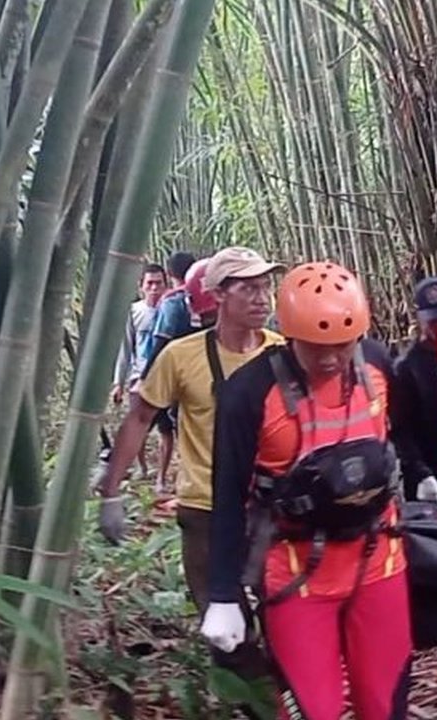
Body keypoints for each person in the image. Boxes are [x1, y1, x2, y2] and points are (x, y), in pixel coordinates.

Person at [202, 261, 412, 720]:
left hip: (379, 557)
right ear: (290, 334)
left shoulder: (375, 363)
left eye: (343, 344)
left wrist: (432, 481)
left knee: (384, 702)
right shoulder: (249, 392)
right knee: (314, 710)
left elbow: (405, 435)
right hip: (296, 570)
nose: (333, 358)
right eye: (319, 348)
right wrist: (224, 593)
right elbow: (228, 497)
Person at [96, 247, 286, 679]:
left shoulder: (282, 354)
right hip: (205, 506)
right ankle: (252, 700)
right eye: (248, 288)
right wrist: (111, 491)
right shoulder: (181, 357)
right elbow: (141, 417)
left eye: (265, 287)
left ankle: (285, 697)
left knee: (286, 614)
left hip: (270, 505)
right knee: (225, 630)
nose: (262, 298)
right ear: (217, 295)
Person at [390, 276, 437, 503]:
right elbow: (400, 430)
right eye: (433, 321)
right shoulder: (407, 367)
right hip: (427, 475)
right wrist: (420, 472)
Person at [111, 263, 167, 477]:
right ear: (141, 286)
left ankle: (162, 474)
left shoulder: (170, 309)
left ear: (166, 284)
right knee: (138, 425)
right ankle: (141, 468)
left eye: (159, 284)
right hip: (139, 376)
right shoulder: (133, 311)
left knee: (167, 429)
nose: (154, 288)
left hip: (168, 375)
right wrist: (119, 383)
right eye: (149, 284)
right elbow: (125, 348)